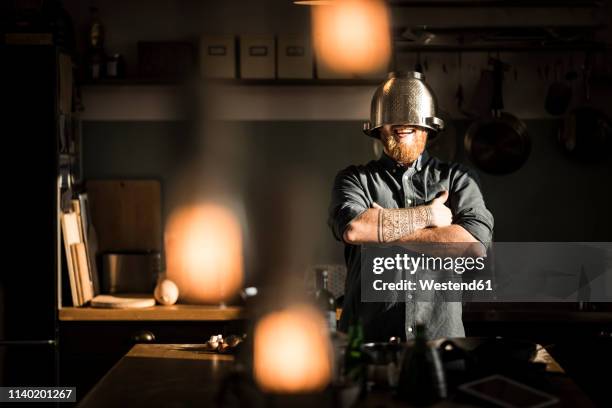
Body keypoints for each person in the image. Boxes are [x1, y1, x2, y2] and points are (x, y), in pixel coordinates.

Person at [328, 71, 494, 341]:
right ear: (378, 128)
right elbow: (355, 230)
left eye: (413, 122)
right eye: (393, 120)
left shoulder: (459, 179)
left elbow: (472, 247)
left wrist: (381, 231)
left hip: (440, 339)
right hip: (368, 338)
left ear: (430, 127)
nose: (403, 125)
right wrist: (428, 215)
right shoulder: (353, 179)